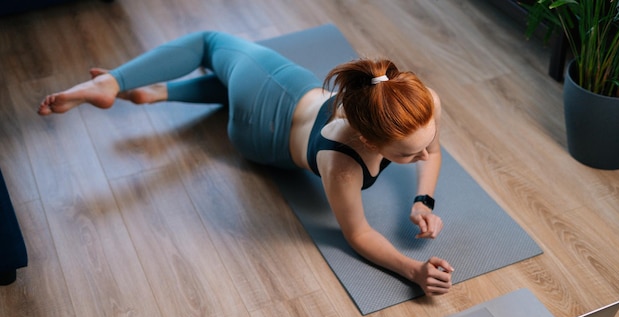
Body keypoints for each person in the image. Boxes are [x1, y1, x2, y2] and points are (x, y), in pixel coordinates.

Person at [38, 31, 454, 295]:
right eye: (408, 154)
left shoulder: (415, 101)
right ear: (367, 139)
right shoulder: (342, 162)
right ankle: (109, 84)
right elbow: (359, 234)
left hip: (282, 99)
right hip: (260, 130)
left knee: (232, 66)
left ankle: (157, 92)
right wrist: (413, 270)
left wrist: (423, 200)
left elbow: (430, 150)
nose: (424, 153)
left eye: (426, 138)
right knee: (209, 42)